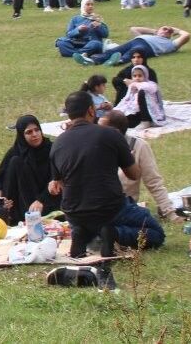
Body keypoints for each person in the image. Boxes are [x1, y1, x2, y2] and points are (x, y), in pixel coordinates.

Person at [48, 92, 141, 271]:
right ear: (91, 110)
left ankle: (82, 233)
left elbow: (59, 182)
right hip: (109, 208)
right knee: (155, 231)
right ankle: (112, 233)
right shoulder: (111, 135)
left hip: (74, 212)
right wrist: (126, 157)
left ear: (68, 114)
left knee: (87, 223)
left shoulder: (58, 143)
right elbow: (134, 174)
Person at [99, 110, 181, 223]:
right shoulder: (93, 146)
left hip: (124, 208)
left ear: (115, 132)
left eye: (100, 129)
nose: (95, 132)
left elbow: (154, 182)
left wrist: (170, 213)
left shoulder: (138, 146)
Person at [0, 115, 59, 225]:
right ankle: (10, 215)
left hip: (47, 201)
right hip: (20, 204)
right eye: (29, 132)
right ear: (22, 135)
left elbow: (58, 180)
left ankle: (30, 218)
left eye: (37, 130)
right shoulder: (15, 151)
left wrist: (41, 200)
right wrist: (0, 199)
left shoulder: (51, 149)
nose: (34, 134)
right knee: (16, 162)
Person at [78, 25, 190, 66]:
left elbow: (186, 35)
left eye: (169, 32)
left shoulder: (171, 44)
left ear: (171, 35)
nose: (166, 31)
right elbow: (133, 29)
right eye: (164, 29)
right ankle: (92, 60)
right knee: (114, 50)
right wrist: (155, 31)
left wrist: (175, 30)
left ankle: (119, 61)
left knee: (135, 51)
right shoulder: (150, 35)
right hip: (136, 40)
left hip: (149, 48)